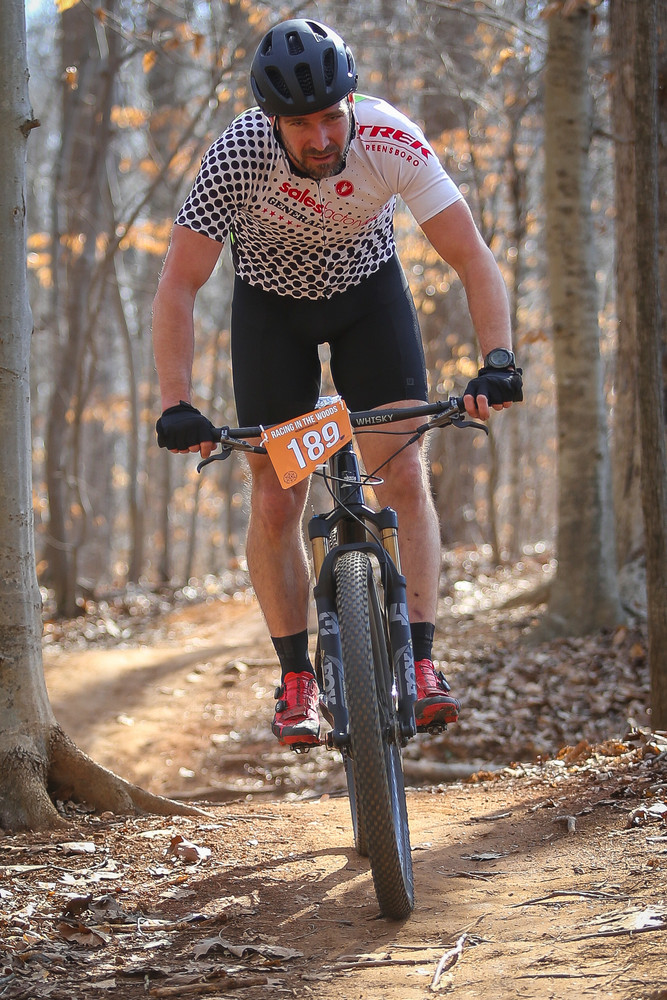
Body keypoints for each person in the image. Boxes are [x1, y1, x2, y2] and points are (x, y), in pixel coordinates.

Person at [152, 18, 523, 748]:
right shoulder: (237, 155)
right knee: (275, 495)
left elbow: (471, 256)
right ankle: (296, 678)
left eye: (330, 117)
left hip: (368, 302)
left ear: (350, 102)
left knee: (403, 475)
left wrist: (498, 360)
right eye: (300, 125)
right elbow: (178, 283)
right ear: (272, 121)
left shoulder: (389, 137)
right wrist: (176, 403)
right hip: (272, 315)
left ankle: (421, 662)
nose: (321, 138)